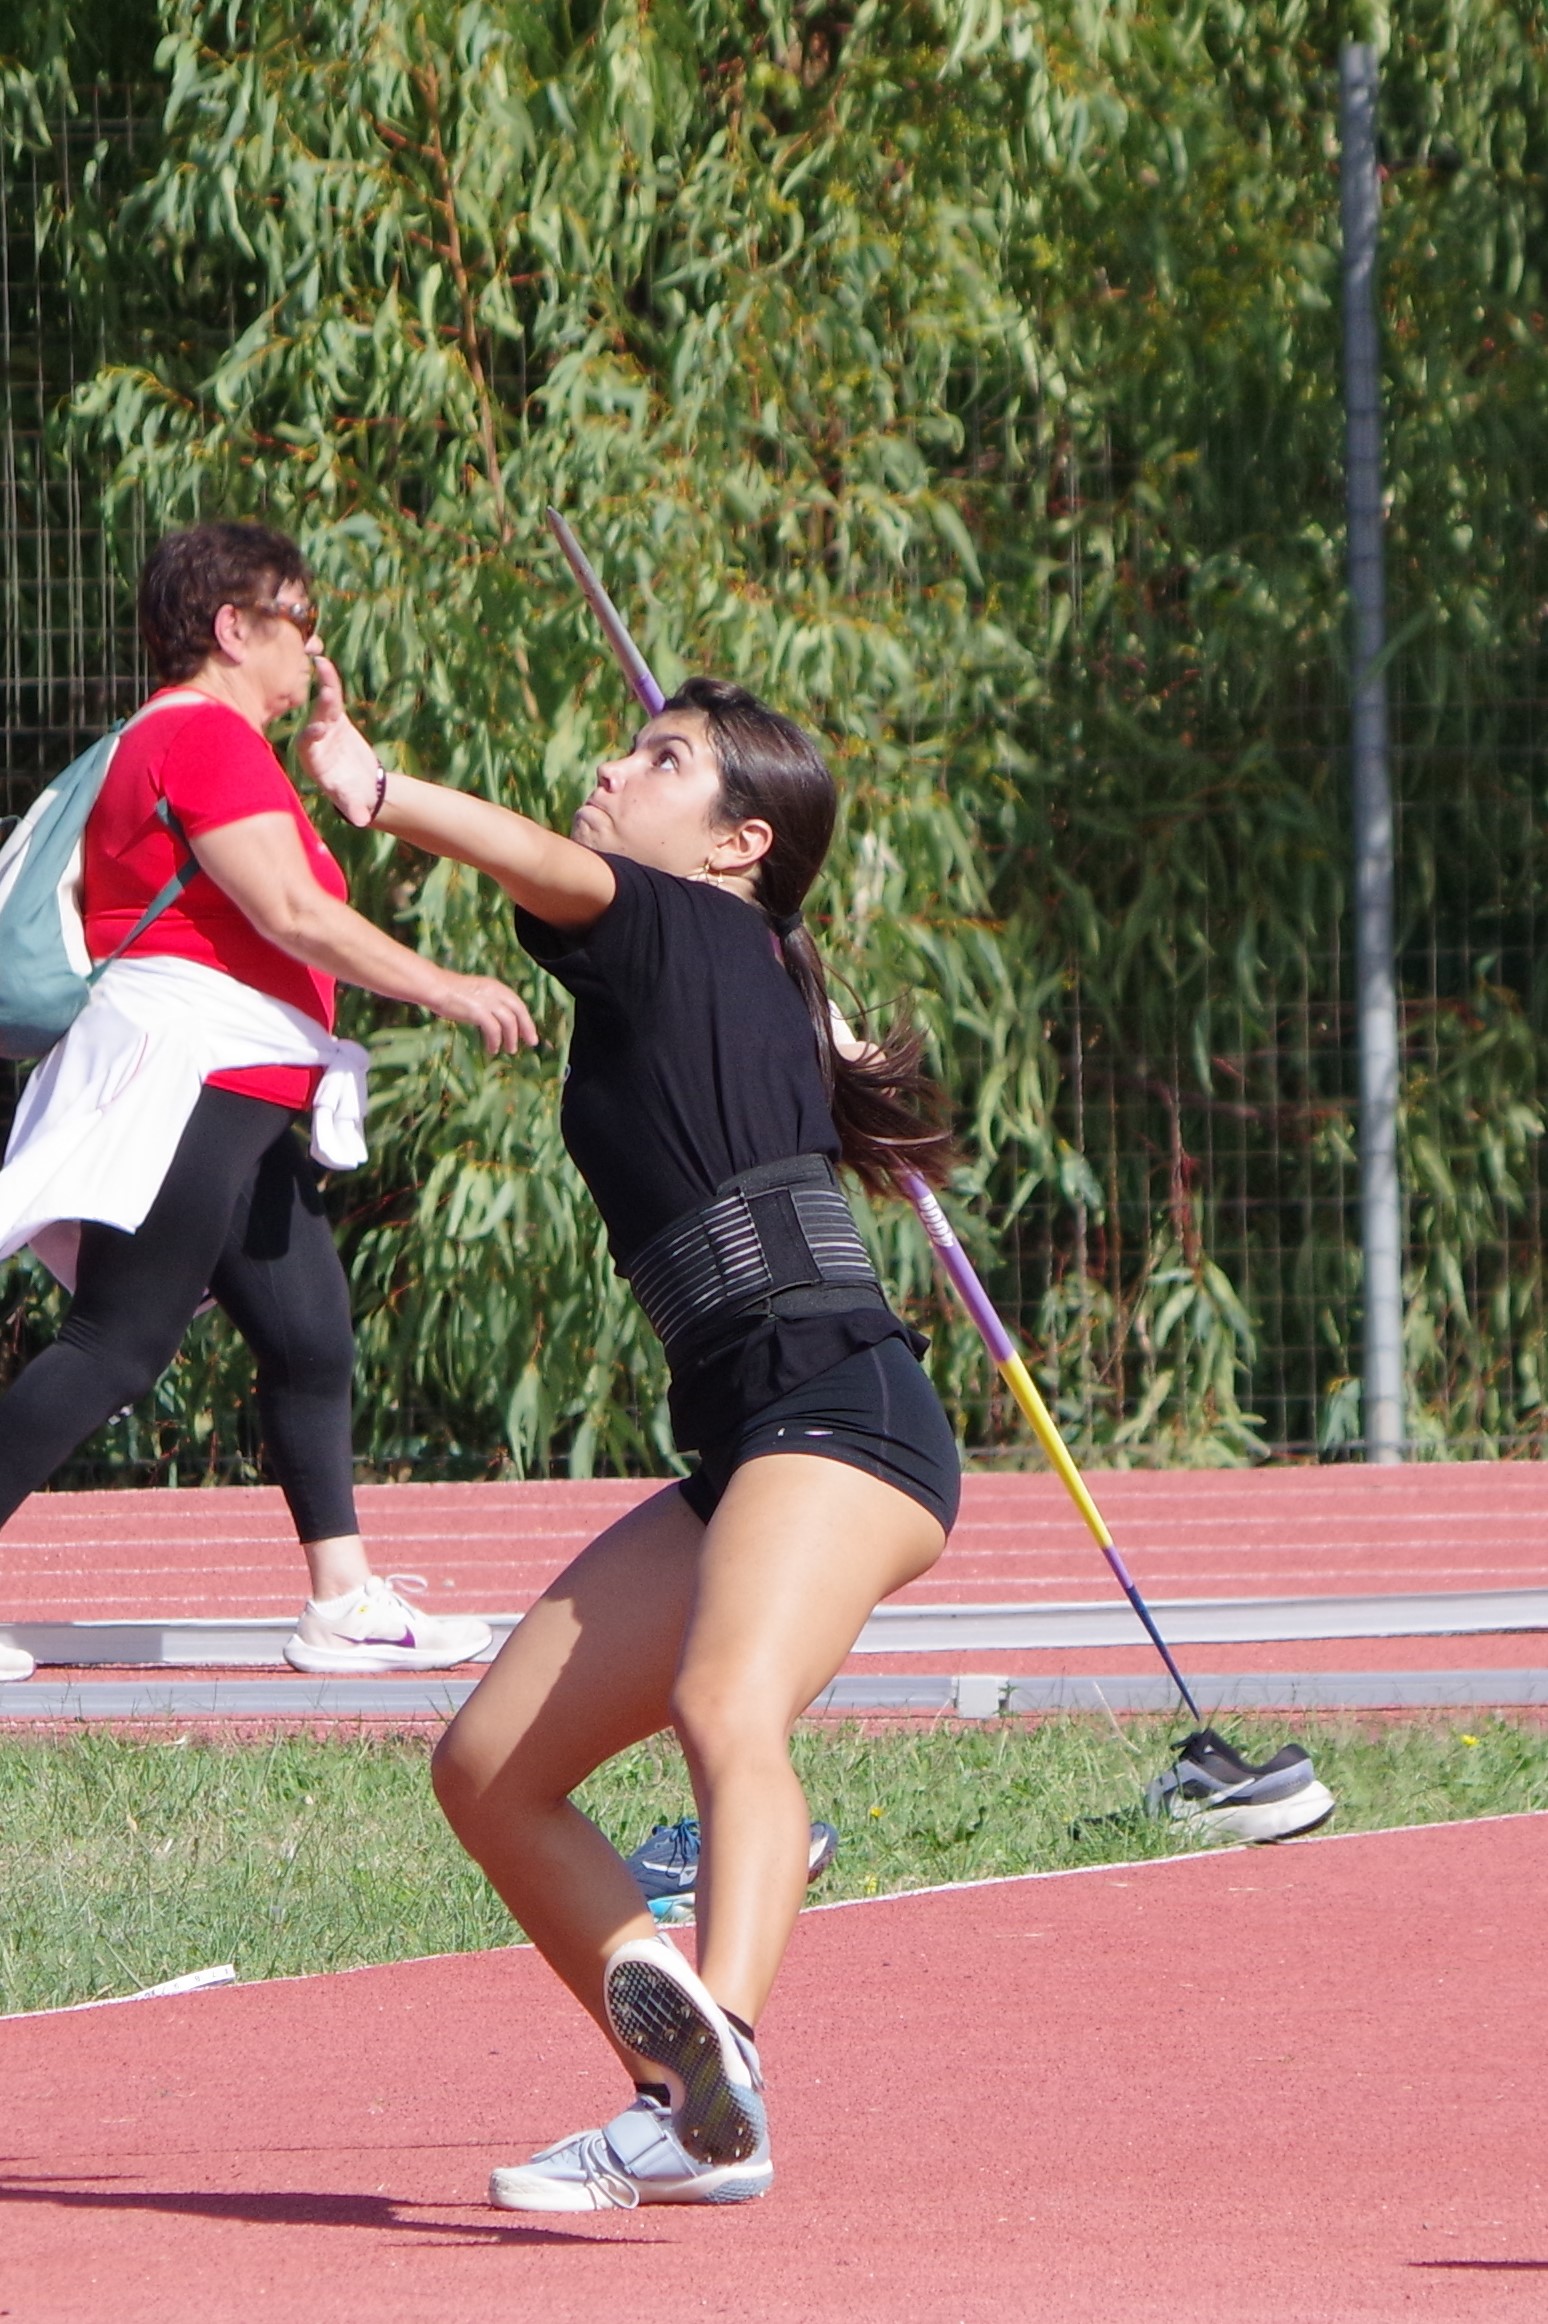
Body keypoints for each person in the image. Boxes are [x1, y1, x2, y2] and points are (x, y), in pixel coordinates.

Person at [301, 666, 961, 2210]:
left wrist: (380, 794)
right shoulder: (733, 961)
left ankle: (726, 2050)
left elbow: (541, 857)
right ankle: (686, 2100)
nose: (613, 768)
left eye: (661, 760)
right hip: (746, 1438)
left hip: (843, 1409)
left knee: (725, 1701)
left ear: (738, 843)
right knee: (488, 1771)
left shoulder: (677, 924)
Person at [0, 521, 536, 1686]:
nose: (316, 644)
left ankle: (343, 1602)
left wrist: (340, 767)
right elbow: (292, 911)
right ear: (233, 628)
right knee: (116, 1344)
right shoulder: (202, 735)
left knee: (309, 1337)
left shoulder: (196, 742)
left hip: (242, 1082)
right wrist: (444, 985)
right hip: (191, 1071)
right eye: (300, 618)